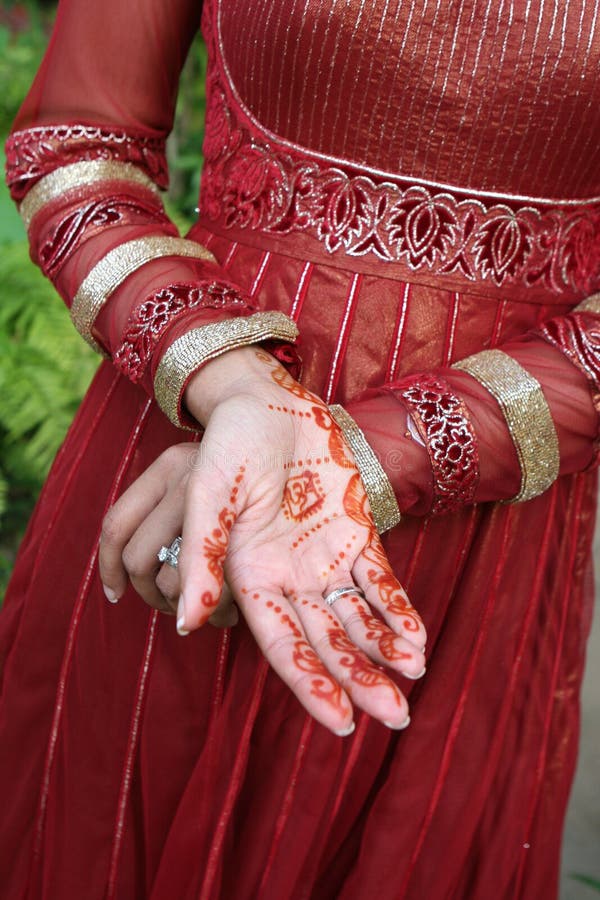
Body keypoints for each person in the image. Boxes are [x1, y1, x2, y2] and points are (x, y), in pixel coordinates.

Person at [1, 1, 599, 897]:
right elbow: (74, 148)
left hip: (482, 524)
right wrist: (234, 385)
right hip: (188, 453)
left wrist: (364, 455)